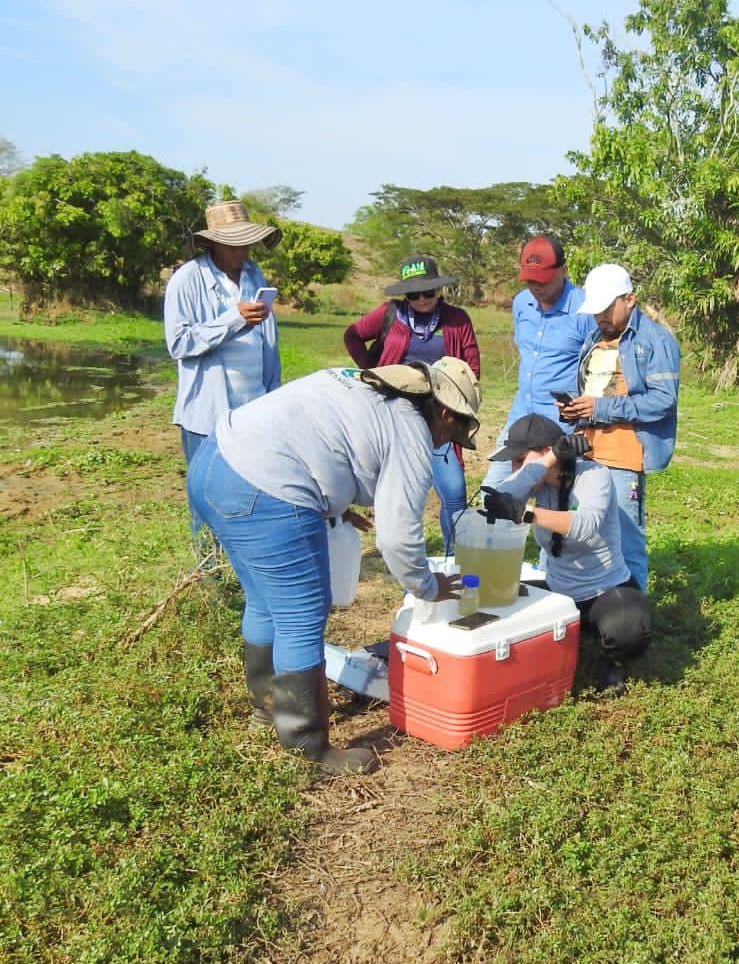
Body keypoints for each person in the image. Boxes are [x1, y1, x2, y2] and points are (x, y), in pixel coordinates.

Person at [186, 357, 479, 775]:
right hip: (264, 487)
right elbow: (397, 537)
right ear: (446, 411)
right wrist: (428, 586)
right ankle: (309, 749)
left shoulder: (363, 385)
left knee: (265, 602)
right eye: (453, 430)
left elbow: (316, 441)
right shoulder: (412, 430)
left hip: (215, 462)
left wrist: (334, 506)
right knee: (302, 616)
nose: (446, 441)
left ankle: (267, 709)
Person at [480, 414, 653, 693]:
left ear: (546, 451)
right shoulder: (536, 480)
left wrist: (526, 513)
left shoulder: (594, 475)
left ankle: (611, 661)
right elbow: (499, 499)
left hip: (604, 590)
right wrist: (543, 464)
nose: (515, 468)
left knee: (629, 629)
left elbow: (584, 526)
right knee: (489, 596)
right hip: (558, 591)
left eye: (519, 459)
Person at [343, 255, 481, 555]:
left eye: (427, 292)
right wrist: (373, 371)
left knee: (455, 493)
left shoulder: (457, 320)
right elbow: (352, 335)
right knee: (405, 496)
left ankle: (453, 559)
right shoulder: (389, 314)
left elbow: (471, 366)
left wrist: (454, 399)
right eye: (413, 293)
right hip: (396, 417)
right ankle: (408, 562)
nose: (421, 299)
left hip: (440, 419)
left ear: (439, 290)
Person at [556, 263, 681, 592]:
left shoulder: (656, 341)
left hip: (624, 457)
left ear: (630, 299)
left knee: (626, 542)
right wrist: (576, 410)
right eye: (594, 311)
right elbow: (592, 391)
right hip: (586, 451)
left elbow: (662, 401)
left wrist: (601, 408)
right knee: (584, 534)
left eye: (604, 309)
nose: (598, 318)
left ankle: (633, 620)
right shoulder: (594, 338)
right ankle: (588, 606)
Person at [163, 200, 283, 466]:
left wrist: (274, 392)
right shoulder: (187, 279)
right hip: (208, 416)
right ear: (214, 244)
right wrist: (234, 319)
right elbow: (179, 344)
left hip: (255, 408)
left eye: (246, 243)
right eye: (233, 245)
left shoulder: (253, 274)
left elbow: (269, 340)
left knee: (252, 489)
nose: (242, 251)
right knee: (207, 494)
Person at [479, 235, 598, 492]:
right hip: (521, 415)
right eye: (530, 279)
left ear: (563, 270)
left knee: (555, 498)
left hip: (560, 424)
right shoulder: (522, 303)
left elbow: (599, 369)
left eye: (542, 279)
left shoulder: (586, 311)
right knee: (494, 490)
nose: (535, 286)